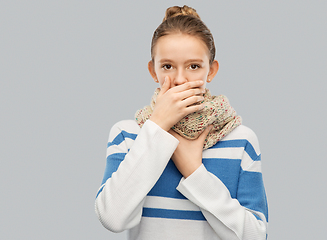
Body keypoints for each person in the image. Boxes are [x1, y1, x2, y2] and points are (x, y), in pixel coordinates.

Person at [95, 5, 268, 240]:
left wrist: (194, 171)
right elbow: (112, 218)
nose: (179, 79)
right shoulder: (127, 135)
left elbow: (256, 235)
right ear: (152, 71)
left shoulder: (241, 140)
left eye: (194, 66)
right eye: (167, 66)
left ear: (211, 71)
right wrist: (156, 126)